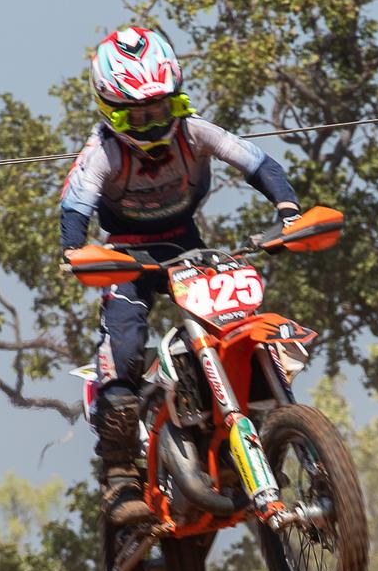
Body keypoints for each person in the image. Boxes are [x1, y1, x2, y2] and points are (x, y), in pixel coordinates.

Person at [60, 26, 301, 526]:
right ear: (108, 111)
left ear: (177, 97)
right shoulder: (100, 154)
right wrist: (75, 251)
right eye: (136, 115)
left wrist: (289, 209)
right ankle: (120, 475)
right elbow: (75, 207)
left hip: (185, 245)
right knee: (126, 348)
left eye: (160, 109)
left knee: (238, 325)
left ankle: (262, 421)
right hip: (126, 257)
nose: (150, 124)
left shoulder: (196, 130)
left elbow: (256, 162)